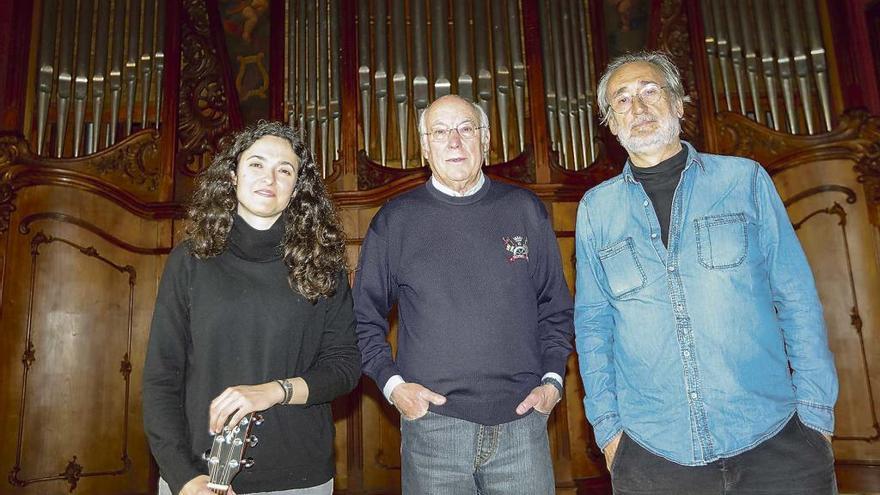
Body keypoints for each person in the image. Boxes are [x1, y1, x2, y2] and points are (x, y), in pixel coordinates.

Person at [574, 51, 839, 494]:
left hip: (776, 441)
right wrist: (608, 431)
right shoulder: (595, 211)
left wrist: (815, 415)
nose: (636, 108)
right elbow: (593, 326)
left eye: (650, 91)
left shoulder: (744, 181)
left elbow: (796, 299)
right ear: (610, 122)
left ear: (679, 104)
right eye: (621, 100)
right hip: (653, 455)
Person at [354, 94, 574, 495]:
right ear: (424, 147)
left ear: (485, 140)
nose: (454, 142)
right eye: (440, 132)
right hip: (433, 430)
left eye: (465, 129)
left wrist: (553, 381)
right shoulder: (396, 220)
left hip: (522, 426)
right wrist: (393, 386)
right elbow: (362, 318)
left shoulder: (525, 209)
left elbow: (556, 308)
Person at [142, 121, 360, 495]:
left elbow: (344, 367)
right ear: (233, 175)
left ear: (296, 190)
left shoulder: (324, 264)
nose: (269, 178)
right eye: (256, 164)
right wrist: (182, 477)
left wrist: (274, 390)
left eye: (285, 170)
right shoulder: (190, 260)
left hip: (299, 478)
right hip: (199, 476)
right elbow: (162, 378)